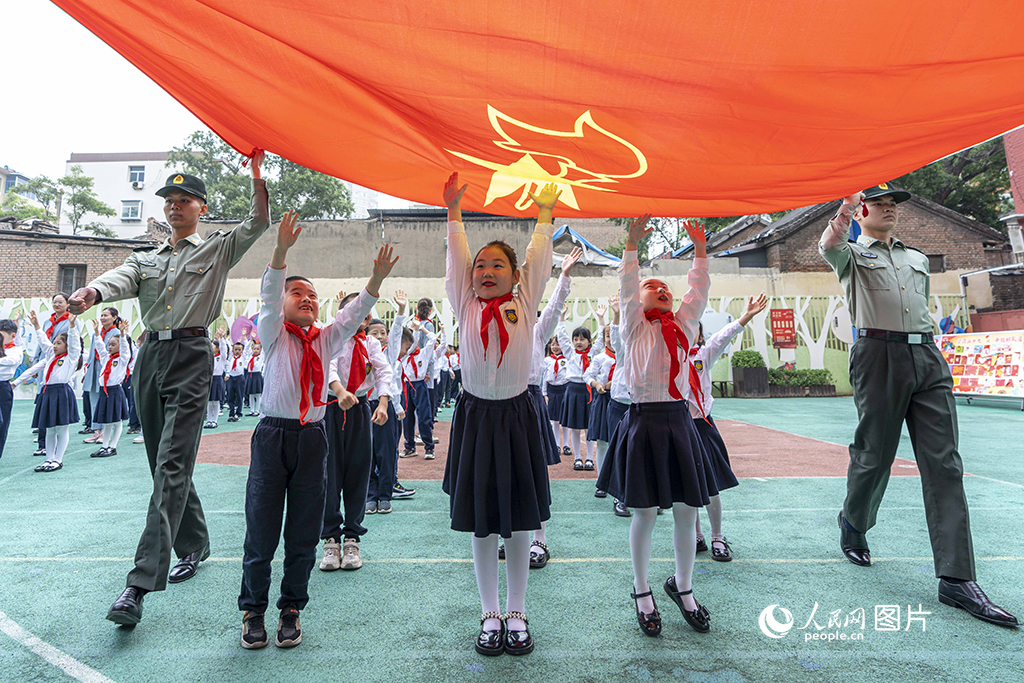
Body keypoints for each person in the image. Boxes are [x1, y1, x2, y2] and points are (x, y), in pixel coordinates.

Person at [68, 154, 271, 625]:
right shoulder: (145, 260)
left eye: (184, 200)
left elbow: (259, 220)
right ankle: (195, 542)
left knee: (171, 466)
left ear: (202, 207)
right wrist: (92, 293)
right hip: (150, 359)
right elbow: (119, 279)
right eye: (169, 201)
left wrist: (257, 173)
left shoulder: (216, 249)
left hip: (192, 357)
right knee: (162, 461)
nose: (175, 207)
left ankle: (138, 585)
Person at [820, 184, 1017, 627]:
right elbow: (828, 243)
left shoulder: (917, 258)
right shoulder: (850, 252)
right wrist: (846, 207)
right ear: (863, 209)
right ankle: (854, 523)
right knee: (875, 457)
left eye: (894, 205)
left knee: (945, 464)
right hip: (877, 355)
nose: (890, 209)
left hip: (927, 356)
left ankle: (956, 578)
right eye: (882, 203)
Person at [238, 211, 397, 650]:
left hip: (312, 437)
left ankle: (291, 609)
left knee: (304, 532)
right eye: (297, 293)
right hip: (273, 437)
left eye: (312, 295)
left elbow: (350, 318)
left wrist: (375, 281)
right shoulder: (273, 333)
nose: (306, 299)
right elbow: (269, 296)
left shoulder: (325, 339)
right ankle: (253, 610)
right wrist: (281, 252)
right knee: (262, 529)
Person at [442, 172, 557, 656]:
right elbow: (456, 262)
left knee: (519, 521)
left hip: (517, 417)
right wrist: (453, 213)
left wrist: (545, 215)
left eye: (497, 265)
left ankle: (517, 609)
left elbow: (538, 259)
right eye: (480, 266)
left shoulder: (525, 301)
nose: (486, 271)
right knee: (483, 521)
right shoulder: (465, 302)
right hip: (476, 420)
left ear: (514, 276)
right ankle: (489, 611)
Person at [596, 215, 712, 637]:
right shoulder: (632, 326)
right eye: (652, 286)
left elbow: (698, 289)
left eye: (666, 288)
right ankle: (642, 590)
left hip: (679, 422)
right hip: (644, 421)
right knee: (644, 512)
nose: (661, 289)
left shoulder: (683, 325)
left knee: (687, 510)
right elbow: (628, 283)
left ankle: (683, 586)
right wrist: (630, 241)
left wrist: (699, 250)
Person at [317, 289, 394, 572]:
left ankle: (352, 538)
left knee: (359, 471)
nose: (357, 315)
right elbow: (328, 366)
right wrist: (339, 391)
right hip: (332, 408)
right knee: (329, 472)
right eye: (351, 309)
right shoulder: (332, 337)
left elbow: (384, 371)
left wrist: (383, 402)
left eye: (361, 310)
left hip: (360, 408)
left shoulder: (371, 343)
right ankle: (330, 539)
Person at [689, 293, 767, 561]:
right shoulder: (668, 357)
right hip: (678, 427)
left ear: (699, 335)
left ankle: (717, 537)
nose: (689, 333)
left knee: (710, 486)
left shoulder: (703, 354)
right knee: (686, 487)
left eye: (694, 330)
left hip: (702, 426)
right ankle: (695, 535)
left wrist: (745, 316)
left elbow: (723, 337)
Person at [522, 246, 581, 569]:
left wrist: (564, 276)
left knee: (534, 472)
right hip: (500, 402)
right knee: (505, 473)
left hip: (529, 401)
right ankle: (510, 537)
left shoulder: (535, 329)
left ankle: (539, 539)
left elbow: (555, 309)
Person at [364, 291, 415, 512]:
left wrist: (401, 311)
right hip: (365, 407)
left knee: (386, 453)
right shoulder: (360, 352)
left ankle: (384, 495)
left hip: (385, 409)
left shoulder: (389, 354)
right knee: (367, 453)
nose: (380, 336)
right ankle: (369, 496)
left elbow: (396, 335)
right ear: (365, 335)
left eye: (382, 333)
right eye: (374, 333)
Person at [14, 312, 81, 473]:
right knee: (50, 428)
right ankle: (48, 459)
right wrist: (37, 326)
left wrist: (72, 327)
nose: (55, 345)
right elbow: (43, 343)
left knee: (61, 429)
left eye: (58, 343)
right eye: (54, 342)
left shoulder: (71, 357)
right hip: (48, 392)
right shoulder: (51, 355)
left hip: (62, 393)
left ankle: (58, 460)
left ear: (66, 346)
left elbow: (74, 344)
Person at [555, 305, 605, 470]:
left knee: (589, 427)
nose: (578, 342)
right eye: (576, 339)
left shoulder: (594, 353)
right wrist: (561, 318)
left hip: (589, 391)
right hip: (573, 391)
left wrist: (601, 319)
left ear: (589, 341)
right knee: (575, 427)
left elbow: (602, 340)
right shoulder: (569, 353)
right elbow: (561, 337)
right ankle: (577, 457)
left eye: (582, 339)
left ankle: (589, 458)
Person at [604, 293, 633, 517]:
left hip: (642, 407)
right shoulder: (624, 348)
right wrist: (616, 314)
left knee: (641, 452)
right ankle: (620, 496)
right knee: (619, 451)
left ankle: (647, 496)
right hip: (619, 405)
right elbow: (615, 339)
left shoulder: (649, 344)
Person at [33, 294, 72, 456]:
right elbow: (41, 342)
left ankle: (54, 445)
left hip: (60, 366)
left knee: (56, 408)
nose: (57, 304)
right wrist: (36, 361)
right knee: (43, 403)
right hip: (45, 362)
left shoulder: (70, 322)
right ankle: (43, 443)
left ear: (67, 304)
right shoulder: (48, 322)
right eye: (54, 302)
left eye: (60, 302)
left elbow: (72, 344)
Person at [90, 318, 132, 458]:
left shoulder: (122, 359)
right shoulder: (107, 358)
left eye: (113, 345)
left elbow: (125, 349)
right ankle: (104, 446)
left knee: (117, 420)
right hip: (104, 392)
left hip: (115, 391)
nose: (110, 347)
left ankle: (112, 447)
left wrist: (122, 334)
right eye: (109, 344)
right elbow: (100, 347)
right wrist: (96, 332)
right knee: (107, 421)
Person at [81, 308, 121, 444]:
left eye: (106, 315)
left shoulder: (116, 333)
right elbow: (92, 352)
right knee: (93, 399)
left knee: (104, 400)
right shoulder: (96, 333)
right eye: (102, 315)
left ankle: (105, 432)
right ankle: (96, 431)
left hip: (107, 369)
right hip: (94, 369)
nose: (103, 318)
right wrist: (87, 371)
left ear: (114, 317)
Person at [400, 319, 436, 459]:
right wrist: (413, 329)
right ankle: (409, 447)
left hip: (420, 385)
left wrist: (421, 329)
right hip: (407, 385)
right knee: (407, 417)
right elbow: (412, 341)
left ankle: (429, 448)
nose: (412, 345)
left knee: (424, 417)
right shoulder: (405, 355)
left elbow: (432, 339)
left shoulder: (424, 353)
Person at [0, 318, 24, 461]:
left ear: (12, 336)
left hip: (3, 387)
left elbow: (12, 361)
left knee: (2, 423)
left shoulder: (15, 350)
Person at [542, 336, 569, 459]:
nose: (555, 347)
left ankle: (566, 445)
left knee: (565, 420)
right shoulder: (547, 360)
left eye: (557, 344)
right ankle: (556, 444)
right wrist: (544, 393)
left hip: (564, 389)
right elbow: (544, 377)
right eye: (553, 344)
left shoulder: (567, 359)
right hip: (552, 390)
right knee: (554, 420)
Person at [207, 330, 229, 428]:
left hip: (217, 379)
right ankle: (209, 421)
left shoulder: (221, 357)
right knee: (209, 401)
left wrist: (221, 339)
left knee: (215, 401)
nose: (211, 347)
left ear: (217, 348)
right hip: (209, 379)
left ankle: (215, 421)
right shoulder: (209, 357)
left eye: (213, 346)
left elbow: (224, 350)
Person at [243, 333, 264, 416]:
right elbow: (245, 350)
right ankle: (251, 410)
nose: (255, 350)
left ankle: (257, 410)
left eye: (257, 349)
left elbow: (264, 349)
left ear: (260, 350)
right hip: (250, 375)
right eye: (254, 348)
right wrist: (251, 339)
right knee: (251, 394)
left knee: (257, 394)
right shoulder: (249, 356)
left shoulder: (261, 356)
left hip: (257, 375)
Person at [225, 341, 246, 422]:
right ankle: (231, 413)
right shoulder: (230, 357)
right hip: (231, 378)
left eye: (239, 350)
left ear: (241, 351)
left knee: (239, 396)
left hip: (239, 378)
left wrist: (249, 339)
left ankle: (238, 413)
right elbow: (228, 348)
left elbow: (247, 349)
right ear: (233, 350)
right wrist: (224, 339)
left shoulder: (243, 357)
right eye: (235, 349)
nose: (237, 351)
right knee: (230, 397)